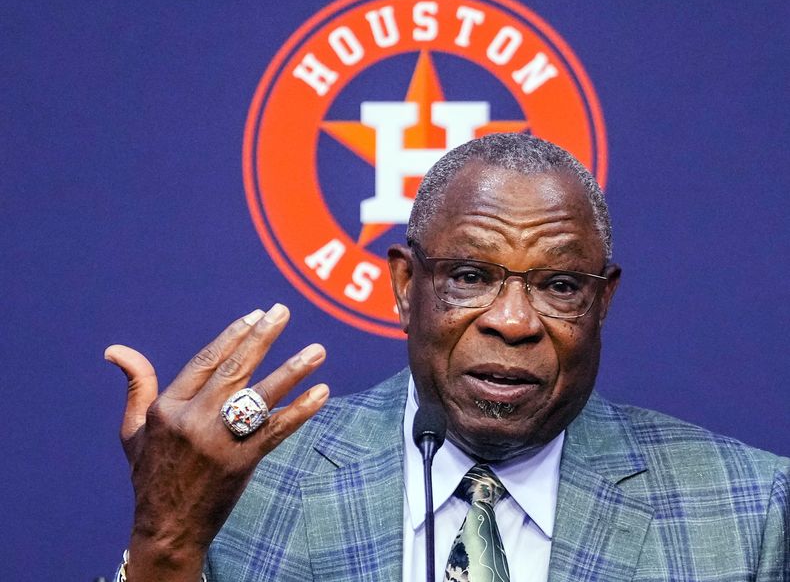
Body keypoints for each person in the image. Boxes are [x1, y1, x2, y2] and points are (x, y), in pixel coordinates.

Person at [105, 133, 789, 581]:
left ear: (601, 302)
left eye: (558, 285)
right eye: (469, 276)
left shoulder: (750, 513)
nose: (514, 321)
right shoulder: (245, 490)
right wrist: (166, 540)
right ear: (407, 286)